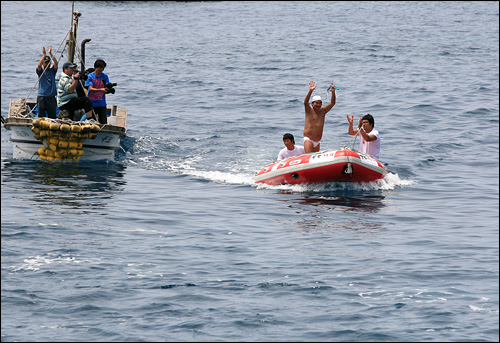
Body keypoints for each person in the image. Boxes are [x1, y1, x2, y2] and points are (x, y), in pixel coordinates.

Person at [303, 81, 336, 153]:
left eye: (320, 103)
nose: (318, 104)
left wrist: (333, 92)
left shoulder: (323, 111)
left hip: (317, 141)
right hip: (309, 139)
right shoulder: (309, 111)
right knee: (309, 158)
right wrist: (310, 91)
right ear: (312, 103)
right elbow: (305, 102)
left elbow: (332, 103)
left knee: (315, 159)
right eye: (316, 102)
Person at [36, 46, 58, 118]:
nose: (47, 64)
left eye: (49, 62)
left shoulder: (52, 71)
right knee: (41, 116)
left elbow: (56, 63)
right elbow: (39, 65)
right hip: (42, 97)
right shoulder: (41, 72)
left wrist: (50, 53)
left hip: (51, 97)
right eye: (45, 63)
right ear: (43, 63)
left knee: (52, 116)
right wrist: (44, 55)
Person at [85, 59, 110, 124]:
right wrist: (101, 90)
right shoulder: (90, 76)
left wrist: (107, 90)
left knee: (103, 123)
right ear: (96, 67)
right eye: (100, 68)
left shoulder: (104, 76)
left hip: (102, 103)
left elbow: (106, 87)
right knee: (91, 122)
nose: (102, 70)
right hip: (92, 104)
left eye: (103, 68)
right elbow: (90, 88)